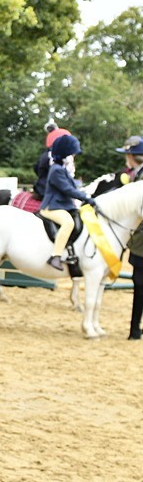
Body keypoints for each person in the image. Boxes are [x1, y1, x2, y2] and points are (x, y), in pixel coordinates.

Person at [39, 133, 95, 271]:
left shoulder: (61, 169)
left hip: (62, 205)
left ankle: (71, 252)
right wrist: (86, 198)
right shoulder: (56, 170)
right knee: (68, 223)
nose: (73, 156)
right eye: (72, 154)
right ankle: (55, 256)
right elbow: (68, 190)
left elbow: (72, 187)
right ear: (65, 154)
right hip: (51, 207)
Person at [114, 136, 143, 339]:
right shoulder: (136, 174)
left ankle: (134, 330)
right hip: (138, 237)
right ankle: (135, 329)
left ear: (132, 156)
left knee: (140, 284)